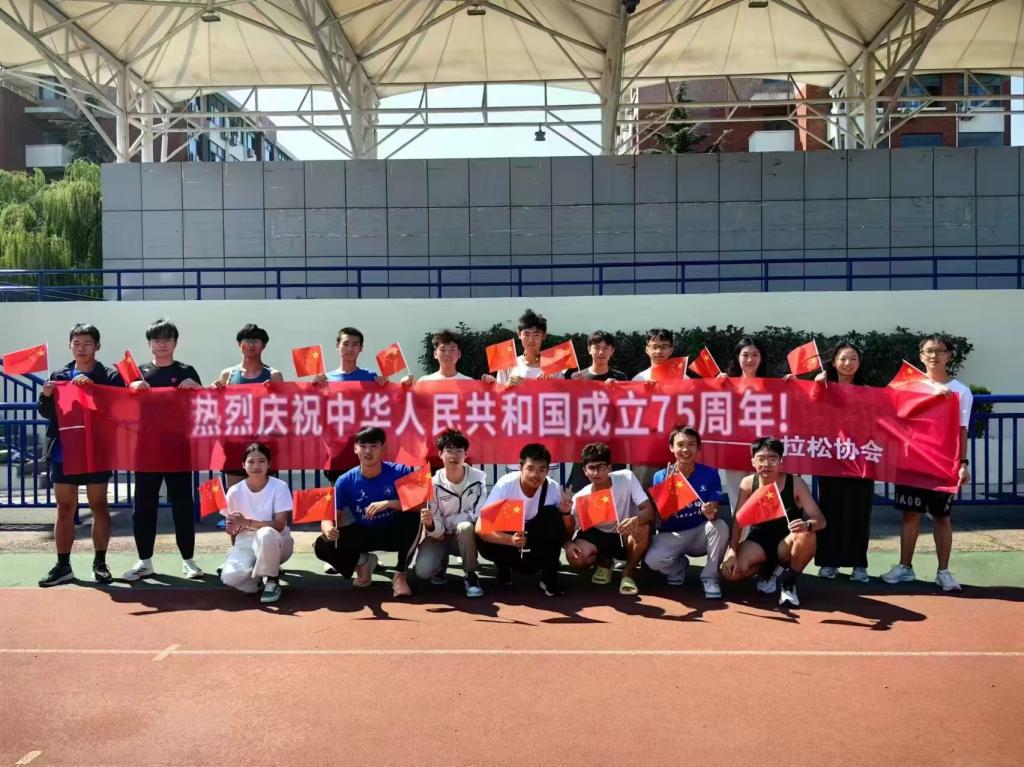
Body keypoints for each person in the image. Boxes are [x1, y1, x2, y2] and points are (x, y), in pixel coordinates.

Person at [881, 334, 973, 592]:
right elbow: (886, 410)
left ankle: (943, 572)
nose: (934, 355)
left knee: (942, 516)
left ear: (949, 356)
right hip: (911, 460)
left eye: (940, 351)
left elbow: (962, 430)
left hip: (943, 463)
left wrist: (962, 463)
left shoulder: (960, 391)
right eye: (929, 351)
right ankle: (905, 567)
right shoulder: (907, 386)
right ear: (921, 356)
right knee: (910, 515)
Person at [36, 324, 125, 587]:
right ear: (70, 346)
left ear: (97, 346)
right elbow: (48, 413)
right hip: (64, 450)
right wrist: (45, 396)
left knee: (99, 505)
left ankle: (100, 563)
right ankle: (63, 566)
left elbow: (120, 409)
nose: (81, 348)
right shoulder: (59, 375)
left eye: (87, 343)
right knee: (64, 507)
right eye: (76, 343)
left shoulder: (109, 375)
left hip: (97, 450)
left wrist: (94, 388)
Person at [122, 319, 205, 582]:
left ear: (175, 343)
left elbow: (204, 406)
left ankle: (188, 561)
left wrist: (198, 389)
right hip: (146, 450)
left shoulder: (186, 371)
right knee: (143, 507)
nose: (162, 344)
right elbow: (121, 408)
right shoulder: (138, 373)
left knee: (183, 506)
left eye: (167, 339)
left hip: (178, 447)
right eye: (157, 340)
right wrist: (130, 389)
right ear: (149, 344)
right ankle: (144, 561)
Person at [313, 427, 421, 597]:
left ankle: (400, 575)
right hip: (364, 533)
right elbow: (329, 515)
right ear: (355, 449)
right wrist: (328, 529)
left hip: (394, 533)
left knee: (414, 516)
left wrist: (389, 503)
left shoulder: (402, 471)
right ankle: (364, 562)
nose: (368, 451)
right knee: (321, 545)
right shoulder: (345, 480)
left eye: (373, 446)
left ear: (383, 448)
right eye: (363, 446)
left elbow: (419, 505)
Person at [721, 437, 825, 608]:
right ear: (753, 462)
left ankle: (788, 582)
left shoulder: (796, 483)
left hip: (787, 541)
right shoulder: (748, 483)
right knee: (734, 572)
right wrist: (731, 551)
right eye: (761, 459)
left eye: (772, 458)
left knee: (807, 535)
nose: (766, 464)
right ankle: (770, 569)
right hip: (759, 539)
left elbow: (820, 520)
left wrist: (807, 525)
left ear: (781, 460)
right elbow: (738, 520)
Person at [644, 426, 729, 599]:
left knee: (720, 526)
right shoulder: (660, 476)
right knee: (652, 561)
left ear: (698, 448)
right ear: (671, 447)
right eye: (680, 445)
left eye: (691, 444)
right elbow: (663, 517)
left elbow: (714, 513)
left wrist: (710, 511)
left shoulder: (710, 473)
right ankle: (679, 567)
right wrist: (669, 492)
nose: (685, 450)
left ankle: (710, 577)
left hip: (700, 534)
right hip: (673, 534)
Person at [813, 342, 873, 583]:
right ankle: (829, 561)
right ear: (834, 362)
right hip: (830, 459)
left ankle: (859, 563)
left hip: (862, 460)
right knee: (830, 509)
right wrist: (816, 387)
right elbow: (806, 411)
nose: (848, 364)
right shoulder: (823, 387)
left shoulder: (868, 392)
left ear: (860, 363)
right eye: (843, 359)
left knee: (859, 511)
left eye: (853, 359)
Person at [476, 443, 571, 596]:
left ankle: (549, 576)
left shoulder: (553, 488)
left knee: (552, 515)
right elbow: (480, 529)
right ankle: (503, 567)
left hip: (534, 543)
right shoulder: (506, 485)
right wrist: (510, 540)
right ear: (520, 467)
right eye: (530, 469)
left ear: (548, 470)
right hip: (509, 541)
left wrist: (566, 513)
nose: (536, 475)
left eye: (541, 470)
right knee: (484, 536)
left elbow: (566, 532)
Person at [563, 443, 653, 596]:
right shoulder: (580, 497)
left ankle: (628, 573)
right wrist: (566, 515)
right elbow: (569, 533)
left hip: (624, 535)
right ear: (585, 471)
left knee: (643, 528)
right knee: (576, 557)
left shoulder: (627, 477)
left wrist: (635, 520)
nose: (596, 472)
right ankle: (604, 562)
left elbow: (648, 511)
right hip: (598, 538)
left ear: (610, 467)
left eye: (601, 467)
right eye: (591, 468)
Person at [414, 429, 487, 597]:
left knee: (465, 527)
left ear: (466, 454)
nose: (454, 455)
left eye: (459, 451)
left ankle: (470, 574)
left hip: (466, 537)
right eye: (449, 450)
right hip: (439, 538)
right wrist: (431, 524)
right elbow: (436, 522)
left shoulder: (478, 479)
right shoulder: (432, 484)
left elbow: (477, 514)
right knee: (423, 572)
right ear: (440, 454)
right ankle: (441, 565)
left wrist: (447, 523)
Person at [219, 443, 293, 603]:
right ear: (243, 465)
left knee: (266, 533)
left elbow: (279, 525)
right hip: (246, 542)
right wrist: (231, 529)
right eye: (251, 462)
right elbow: (233, 529)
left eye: (261, 461)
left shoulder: (279, 487)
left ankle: (272, 581)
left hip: (277, 542)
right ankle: (256, 581)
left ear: (269, 464)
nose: (256, 466)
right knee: (230, 577)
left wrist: (246, 522)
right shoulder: (234, 491)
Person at [214, 323, 284, 489]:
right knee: (235, 494)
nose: (251, 345)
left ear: (263, 345)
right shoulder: (228, 374)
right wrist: (214, 391)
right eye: (247, 340)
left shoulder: (273, 375)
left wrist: (273, 394)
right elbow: (218, 409)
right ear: (240, 344)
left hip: (264, 444)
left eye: (256, 341)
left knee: (265, 495)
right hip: (234, 443)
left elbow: (283, 410)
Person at [719, 336, 770, 516]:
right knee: (737, 498)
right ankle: (739, 533)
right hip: (734, 450)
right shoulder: (726, 383)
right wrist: (715, 386)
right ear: (737, 357)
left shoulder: (772, 385)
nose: (750, 359)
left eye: (755, 355)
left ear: (761, 357)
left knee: (762, 497)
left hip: (763, 451)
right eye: (745, 354)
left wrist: (790, 384)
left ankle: (758, 534)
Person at [631, 328, 679, 487]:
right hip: (646, 449)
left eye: (664, 346)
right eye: (654, 346)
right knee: (643, 493)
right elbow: (629, 416)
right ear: (647, 349)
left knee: (674, 493)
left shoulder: (683, 379)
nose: (659, 351)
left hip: (675, 447)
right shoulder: (638, 379)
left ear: (671, 350)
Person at [484, 309, 564, 385]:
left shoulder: (554, 368)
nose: (531, 340)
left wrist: (551, 385)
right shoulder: (508, 366)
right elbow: (498, 392)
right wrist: (506, 386)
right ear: (519, 334)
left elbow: (565, 392)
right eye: (526, 334)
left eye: (536, 335)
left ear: (544, 336)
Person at [314, 327, 385, 384]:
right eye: (345, 344)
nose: (350, 349)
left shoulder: (370, 376)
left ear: (361, 348)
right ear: (337, 346)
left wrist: (385, 385)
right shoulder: (326, 379)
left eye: (355, 344)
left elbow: (383, 395)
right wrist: (314, 387)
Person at [402, 329, 472, 385]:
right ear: (435, 354)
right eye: (443, 350)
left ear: (459, 354)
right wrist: (405, 388)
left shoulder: (469, 383)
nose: (447, 353)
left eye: (452, 349)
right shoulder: (424, 382)